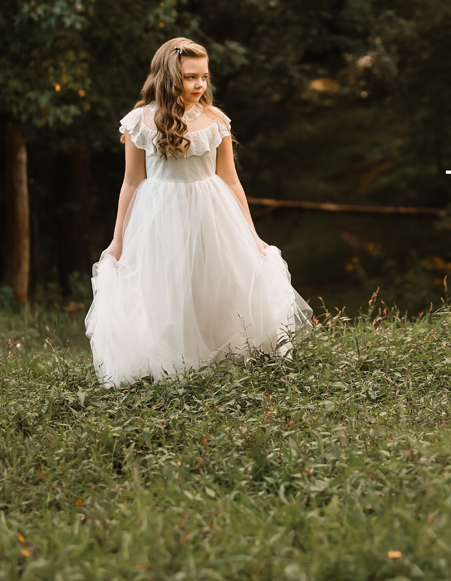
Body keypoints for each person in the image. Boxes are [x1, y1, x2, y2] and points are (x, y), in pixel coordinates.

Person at [84, 37, 312, 388]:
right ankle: (175, 362)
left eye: (204, 77)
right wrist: (118, 241)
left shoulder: (216, 120)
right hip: (159, 215)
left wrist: (252, 235)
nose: (200, 85)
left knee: (216, 281)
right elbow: (131, 183)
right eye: (191, 77)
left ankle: (221, 354)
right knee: (168, 285)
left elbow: (231, 181)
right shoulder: (138, 122)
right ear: (168, 76)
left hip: (211, 211)